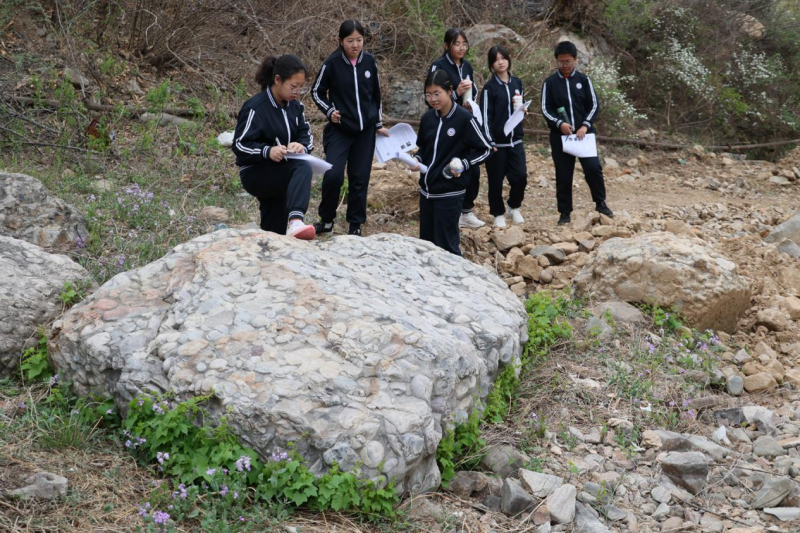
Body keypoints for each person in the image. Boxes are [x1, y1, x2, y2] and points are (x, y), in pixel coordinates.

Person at [311, 20, 389, 237]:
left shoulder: (369, 62)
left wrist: (378, 124)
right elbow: (317, 91)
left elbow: (376, 95)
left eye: (359, 40)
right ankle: (327, 220)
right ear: (340, 41)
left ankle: (355, 225)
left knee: (359, 178)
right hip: (340, 130)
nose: (355, 45)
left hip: (365, 131)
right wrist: (330, 111)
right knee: (333, 174)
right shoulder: (332, 63)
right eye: (350, 40)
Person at [232, 54, 316, 239]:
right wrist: (267, 151)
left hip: (281, 171)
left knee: (274, 231)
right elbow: (239, 145)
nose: (297, 92)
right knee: (302, 165)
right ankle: (296, 220)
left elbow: (306, 135)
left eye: (301, 87)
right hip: (256, 172)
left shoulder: (295, 107)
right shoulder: (255, 108)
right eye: (293, 86)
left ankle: (271, 246)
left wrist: (301, 146)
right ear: (277, 80)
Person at [408, 70, 492, 255]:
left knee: (447, 246)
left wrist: (464, 163)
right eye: (428, 94)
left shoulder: (464, 119)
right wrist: (417, 159)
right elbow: (424, 148)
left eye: (437, 93)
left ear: (450, 91)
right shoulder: (428, 118)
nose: (433, 99)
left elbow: (486, 149)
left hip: (450, 193)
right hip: (426, 192)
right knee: (426, 246)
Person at [541, 41, 613, 225]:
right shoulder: (550, 83)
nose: (564, 65)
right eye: (561, 61)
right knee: (564, 175)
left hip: (583, 136)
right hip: (561, 137)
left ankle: (600, 203)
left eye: (568, 61)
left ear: (575, 59)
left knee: (593, 169)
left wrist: (585, 125)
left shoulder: (583, 80)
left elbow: (594, 105)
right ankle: (564, 213)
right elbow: (546, 109)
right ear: (556, 60)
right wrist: (559, 124)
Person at [427, 28, 485, 229]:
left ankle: (466, 211)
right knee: (449, 164)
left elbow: (473, 91)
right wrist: (456, 94)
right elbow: (432, 97)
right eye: (456, 44)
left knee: (472, 167)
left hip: (465, 121)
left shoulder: (467, 66)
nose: (461, 48)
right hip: (445, 123)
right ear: (446, 45)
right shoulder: (439, 66)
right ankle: (448, 208)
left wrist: (470, 103)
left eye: (464, 44)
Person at [480, 45, 528, 228]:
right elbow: (486, 117)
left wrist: (523, 111)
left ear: (508, 60)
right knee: (495, 180)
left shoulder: (517, 83)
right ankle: (497, 213)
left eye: (503, 58)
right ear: (491, 64)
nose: (500, 62)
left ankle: (514, 207)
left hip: (516, 140)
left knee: (520, 176)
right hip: (497, 144)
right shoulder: (489, 88)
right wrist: (489, 141)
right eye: (496, 60)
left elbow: (520, 107)